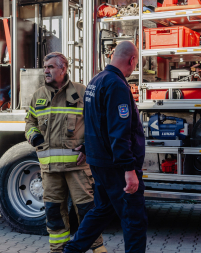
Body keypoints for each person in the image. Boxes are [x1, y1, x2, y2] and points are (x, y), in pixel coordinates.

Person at [64, 41, 148, 253]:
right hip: (116, 166)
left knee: (103, 210)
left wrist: (86, 147)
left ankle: (72, 250)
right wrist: (129, 170)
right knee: (134, 220)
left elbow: (94, 122)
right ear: (132, 60)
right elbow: (119, 131)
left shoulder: (96, 81)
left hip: (100, 162)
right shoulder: (117, 85)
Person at [25, 52, 107, 253]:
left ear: (63, 69)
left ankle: (97, 248)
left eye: (51, 67)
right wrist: (34, 136)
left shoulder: (81, 92)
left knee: (87, 210)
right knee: (53, 212)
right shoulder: (38, 96)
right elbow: (30, 122)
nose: (46, 70)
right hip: (49, 168)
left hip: (77, 167)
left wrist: (89, 147)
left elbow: (97, 123)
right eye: (45, 67)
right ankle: (58, 250)